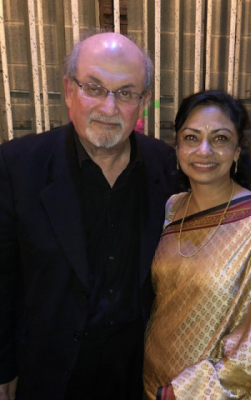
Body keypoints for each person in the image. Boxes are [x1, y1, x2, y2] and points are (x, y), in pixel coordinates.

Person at [0, 31, 184, 400]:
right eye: (94, 87)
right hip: (50, 373)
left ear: (144, 102)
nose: (109, 107)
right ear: (69, 91)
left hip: (140, 374)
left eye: (127, 92)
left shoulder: (169, 167)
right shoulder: (16, 165)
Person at [143, 90, 251, 399]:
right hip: (151, 378)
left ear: (237, 151)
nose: (204, 150)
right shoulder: (172, 208)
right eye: (191, 138)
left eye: (219, 138)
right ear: (177, 148)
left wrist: (183, 392)